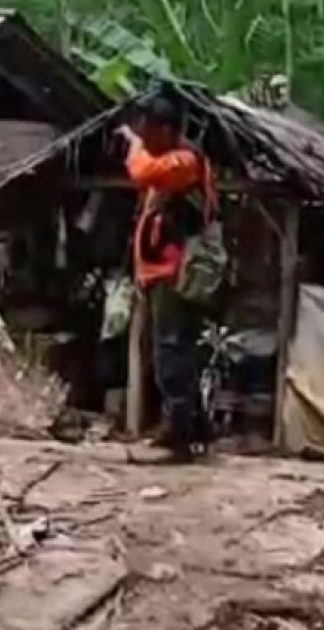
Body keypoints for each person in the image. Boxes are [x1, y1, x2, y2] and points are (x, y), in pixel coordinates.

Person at [115, 89, 213, 461]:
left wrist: (134, 145)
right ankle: (195, 427)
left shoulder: (184, 161)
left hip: (177, 273)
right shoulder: (170, 159)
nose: (143, 138)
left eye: (148, 131)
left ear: (168, 129)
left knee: (171, 352)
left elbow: (140, 171)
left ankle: (181, 434)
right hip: (160, 272)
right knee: (174, 350)